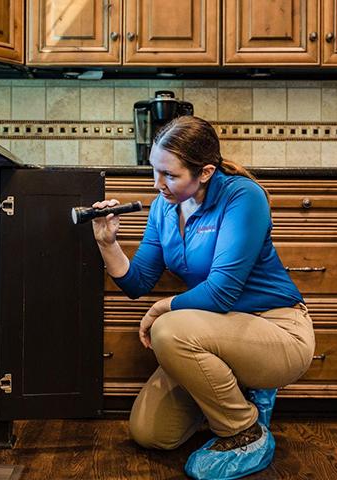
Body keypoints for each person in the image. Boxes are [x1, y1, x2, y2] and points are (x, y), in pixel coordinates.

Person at [90, 116, 315, 479]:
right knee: (150, 433)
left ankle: (244, 431)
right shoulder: (164, 206)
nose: (158, 183)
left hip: (277, 328)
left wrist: (161, 309)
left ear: (206, 172)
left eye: (170, 175)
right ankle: (237, 390)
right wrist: (107, 243)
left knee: (169, 329)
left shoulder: (243, 197)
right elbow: (137, 282)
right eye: (154, 171)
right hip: (218, 332)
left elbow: (222, 292)